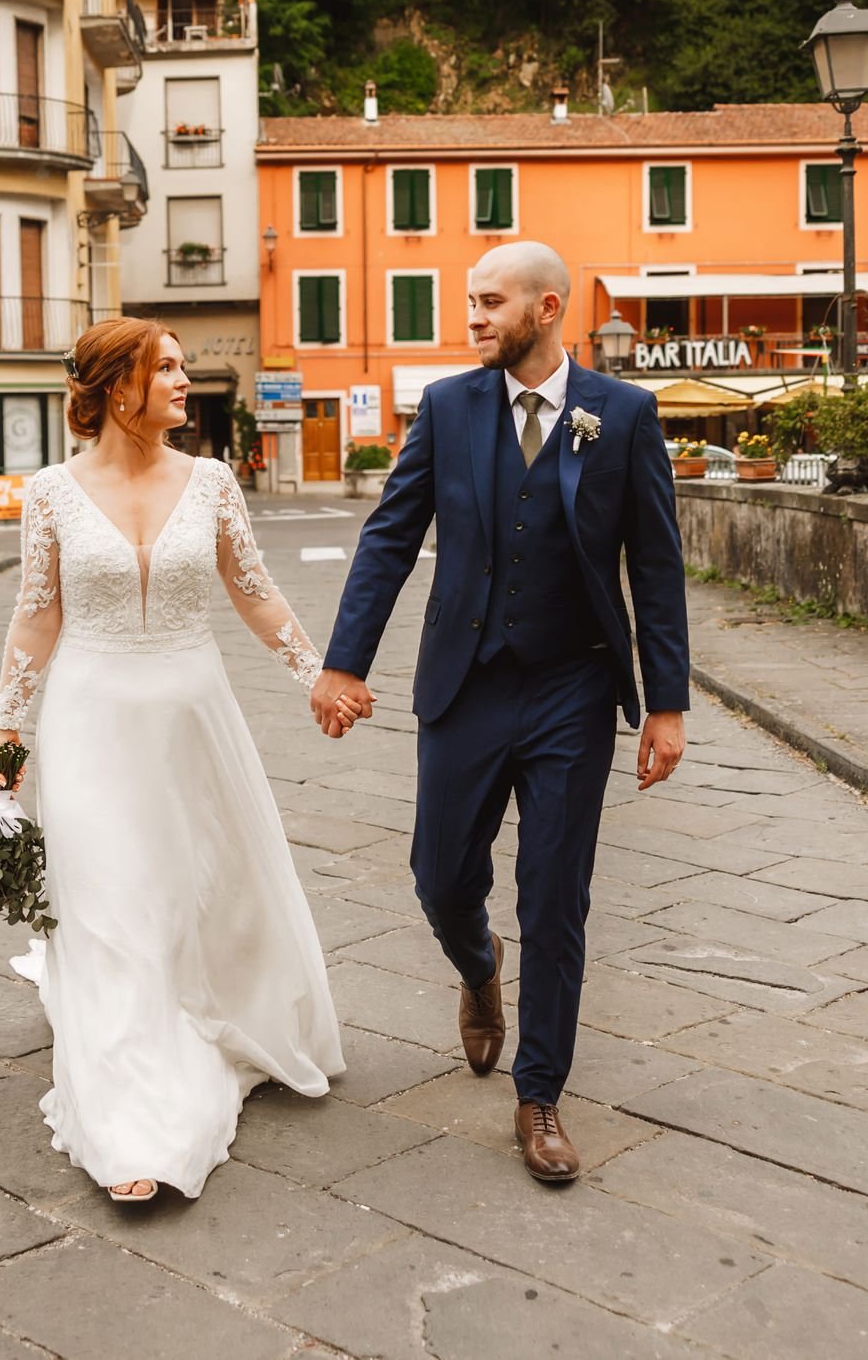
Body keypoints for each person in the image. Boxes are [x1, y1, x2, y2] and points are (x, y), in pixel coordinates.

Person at [312, 241, 690, 1183]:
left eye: (490, 302)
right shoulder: (447, 406)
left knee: (556, 897)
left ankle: (541, 1095)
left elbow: (656, 566)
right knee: (439, 876)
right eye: (469, 303)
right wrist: (342, 663)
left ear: (548, 307)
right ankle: (479, 973)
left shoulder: (626, 415)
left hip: (573, 686)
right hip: (466, 681)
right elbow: (391, 535)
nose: (473, 318)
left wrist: (667, 704)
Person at [0, 316, 343, 1203]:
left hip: (194, 719)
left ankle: (216, 1014)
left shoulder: (213, 481)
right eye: (169, 368)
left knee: (202, 892)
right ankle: (135, 1126)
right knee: (112, 910)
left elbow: (254, 595)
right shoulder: (52, 494)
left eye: (184, 367)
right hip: (90, 723)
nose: (187, 381)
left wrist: (316, 678)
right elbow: (38, 614)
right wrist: (7, 726)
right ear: (118, 390)